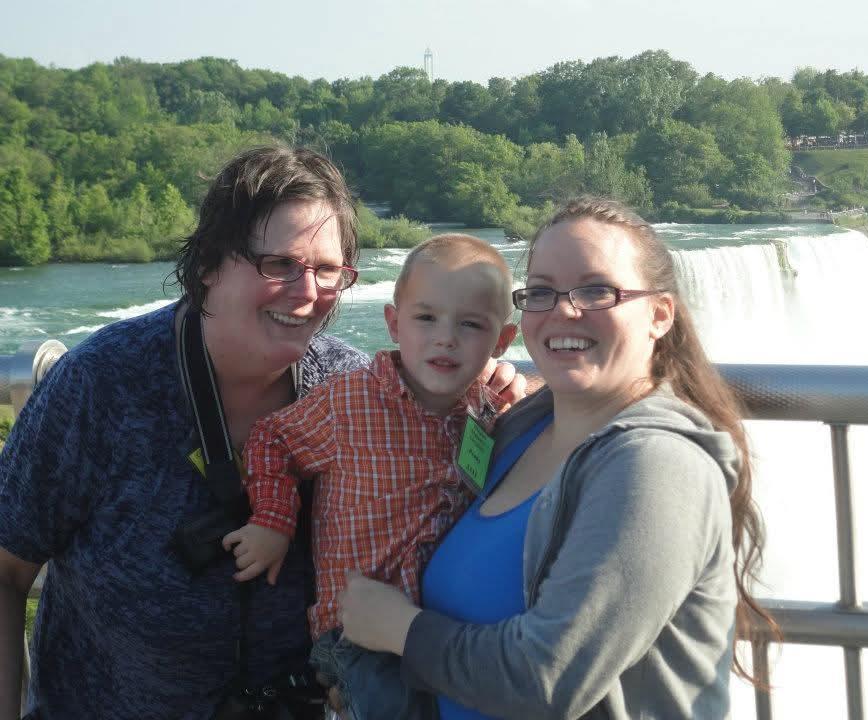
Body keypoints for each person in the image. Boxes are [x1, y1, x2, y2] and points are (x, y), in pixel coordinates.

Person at [0, 146, 523, 720]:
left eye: (327, 271)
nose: (307, 293)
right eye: (279, 264)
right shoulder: (104, 386)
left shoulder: (349, 387)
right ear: (209, 264)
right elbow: (6, 570)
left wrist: (492, 394)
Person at [337, 197, 777, 719]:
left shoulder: (656, 466)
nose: (563, 311)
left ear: (659, 314)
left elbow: (547, 678)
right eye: (542, 292)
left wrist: (396, 629)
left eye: (596, 290)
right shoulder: (519, 427)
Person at [223, 234, 517, 719]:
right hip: (357, 634)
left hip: (434, 628)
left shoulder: (486, 412)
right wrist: (273, 521)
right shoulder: (350, 403)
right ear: (394, 323)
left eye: (471, 324)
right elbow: (271, 439)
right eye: (426, 318)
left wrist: (522, 387)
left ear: (501, 341)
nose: (446, 337)